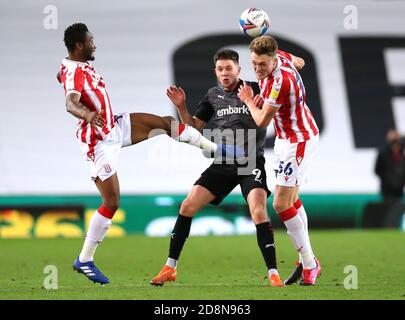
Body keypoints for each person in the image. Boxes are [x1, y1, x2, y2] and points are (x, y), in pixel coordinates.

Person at [58, 23, 226, 284]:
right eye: (91, 41)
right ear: (79, 45)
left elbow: (63, 76)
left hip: (113, 126)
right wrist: (88, 114)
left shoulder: (74, 67)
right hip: (97, 141)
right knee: (112, 203)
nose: (95, 44)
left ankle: (216, 150)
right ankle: (85, 259)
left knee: (162, 123)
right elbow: (70, 102)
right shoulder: (74, 74)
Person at [150, 49, 304, 288]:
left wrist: (252, 100)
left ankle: (273, 273)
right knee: (187, 205)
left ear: (238, 69)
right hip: (223, 162)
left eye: (229, 68)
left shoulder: (255, 88)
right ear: (215, 71)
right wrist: (181, 107)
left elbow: (273, 108)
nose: (224, 73)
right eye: (220, 69)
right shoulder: (212, 95)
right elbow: (193, 128)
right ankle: (170, 267)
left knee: (258, 211)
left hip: (251, 161)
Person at [238, 35, 321, 286]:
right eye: (254, 63)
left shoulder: (278, 82)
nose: (257, 69)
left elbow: (262, 120)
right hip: (287, 139)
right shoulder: (282, 57)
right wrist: (289, 59)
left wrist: (249, 100)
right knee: (291, 200)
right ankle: (304, 258)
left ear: (273, 61)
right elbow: (302, 61)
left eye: (262, 64)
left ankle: (310, 263)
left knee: (282, 204)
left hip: (299, 139)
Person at [375, 129, 405, 202]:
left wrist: (401, 182)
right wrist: (388, 180)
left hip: (399, 189)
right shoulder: (383, 154)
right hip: (387, 190)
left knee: (398, 209)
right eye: (392, 138)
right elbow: (377, 170)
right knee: (387, 209)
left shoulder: (402, 154)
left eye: (396, 138)